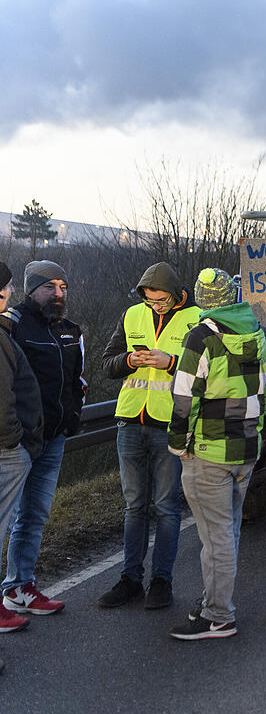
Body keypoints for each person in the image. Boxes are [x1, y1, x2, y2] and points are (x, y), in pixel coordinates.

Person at [167, 268, 266, 640]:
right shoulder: (258, 332)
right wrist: (255, 430)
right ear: (231, 296)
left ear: (201, 299)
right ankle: (215, 600)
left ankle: (218, 616)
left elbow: (184, 397)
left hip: (209, 450)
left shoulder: (200, 337)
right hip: (246, 448)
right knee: (227, 532)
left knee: (215, 538)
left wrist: (178, 443)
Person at [97, 263, 199, 610]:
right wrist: (129, 359)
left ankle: (161, 582)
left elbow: (208, 371)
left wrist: (171, 362)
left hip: (170, 425)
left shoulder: (198, 318)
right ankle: (130, 580)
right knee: (134, 507)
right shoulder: (131, 315)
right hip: (130, 421)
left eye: (160, 300)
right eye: (150, 300)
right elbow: (107, 363)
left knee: (167, 508)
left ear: (175, 291)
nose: (155, 306)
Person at [1, 261, 84, 617]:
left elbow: (77, 379)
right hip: (18, 443)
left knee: (34, 515)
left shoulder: (69, 329)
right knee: (6, 519)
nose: (59, 294)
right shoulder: (13, 326)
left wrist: (74, 415)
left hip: (54, 439)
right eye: (50, 286)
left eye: (63, 286)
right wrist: (16, 437)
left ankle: (20, 586)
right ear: (31, 288)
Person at [0, 263, 44, 652]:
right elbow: (2, 402)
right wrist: (16, 443)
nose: (10, 294)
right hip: (6, 450)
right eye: (7, 288)